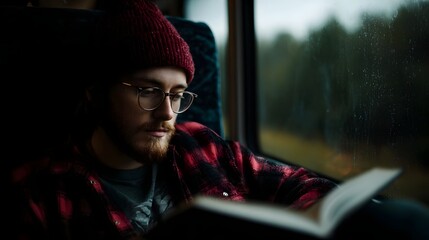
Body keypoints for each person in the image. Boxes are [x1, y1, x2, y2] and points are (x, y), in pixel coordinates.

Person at [7, 0, 429, 239]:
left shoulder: (202, 146)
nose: (167, 113)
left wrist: (302, 221)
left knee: (400, 221)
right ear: (96, 92)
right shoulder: (40, 194)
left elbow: (299, 182)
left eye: (177, 95)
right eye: (148, 91)